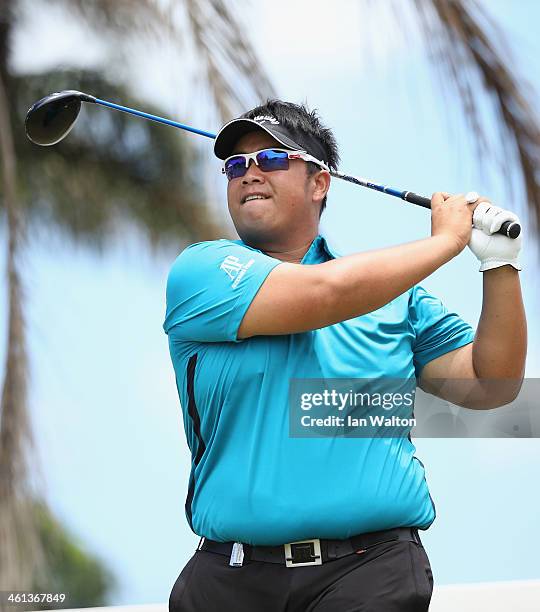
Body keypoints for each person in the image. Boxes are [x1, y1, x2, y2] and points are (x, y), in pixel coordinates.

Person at [163, 100, 527, 611]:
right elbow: (322, 296)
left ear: (320, 182)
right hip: (229, 579)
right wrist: (448, 241)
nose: (249, 174)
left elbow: (493, 385)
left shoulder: (397, 298)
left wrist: (498, 265)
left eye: (270, 159)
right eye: (235, 165)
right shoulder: (200, 272)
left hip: (370, 572)